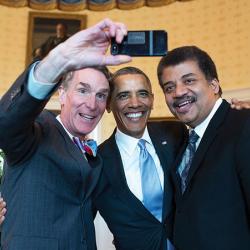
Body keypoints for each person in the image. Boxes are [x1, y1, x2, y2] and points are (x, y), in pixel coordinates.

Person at [0, 18, 131, 250]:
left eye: (101, 95)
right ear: (61, 94)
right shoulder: (37, 130)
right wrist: (60, 59)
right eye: (83, 90)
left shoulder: (95, 156)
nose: (92, 104)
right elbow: (6, 123)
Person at [157, 45, 250, 250]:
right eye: (169, 87)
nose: (178, 92)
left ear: (214, 85)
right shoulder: (187, 139)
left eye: (189, 80)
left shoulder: (244, 124)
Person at [92, 66, 187, 250]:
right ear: (109, 105)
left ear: (152, 99)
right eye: (124, 95)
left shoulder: (175, 133)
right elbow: (80, 223)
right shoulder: (96, 162)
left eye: (142, 94)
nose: (135, 103)